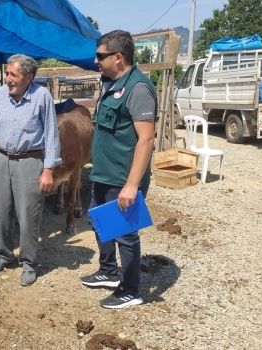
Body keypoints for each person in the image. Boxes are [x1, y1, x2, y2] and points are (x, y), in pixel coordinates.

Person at [0, 54, 61, 286]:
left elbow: (51, 135)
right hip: (0, 158)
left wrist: (48, 170)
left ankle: (28, 262)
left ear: (28, 76)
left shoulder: (41, 97)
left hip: (29, 160)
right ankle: (4, 255)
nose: (7, 79)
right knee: (2, 212)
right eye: (7, 73)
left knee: (27, 215)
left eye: (12, 74)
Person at [79, 30, 157, 309]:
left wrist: (132, 185)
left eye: (100, 56)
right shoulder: (110, 83)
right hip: (102, 173)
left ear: (118, 57)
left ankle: (130, 290)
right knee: (100, 223)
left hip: (122, 177)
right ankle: (109, 271)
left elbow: (146, 139)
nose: (96, 60)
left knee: (125, 233)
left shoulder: (138, 88)